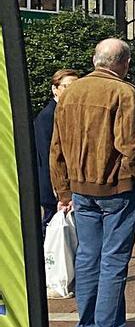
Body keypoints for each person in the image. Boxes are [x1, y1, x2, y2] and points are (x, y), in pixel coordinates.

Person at [49, 39, 135, 327]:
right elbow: (132, 145)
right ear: (125, 63)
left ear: (95, 60)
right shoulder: (124, 92)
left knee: (88, 257)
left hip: (80, 187)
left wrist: (64, 189)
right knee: (114, 259)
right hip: (117, 186)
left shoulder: (72, 92)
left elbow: (57, 148)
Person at [34, 68, 80, 228]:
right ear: (55, 89)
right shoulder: (47, 116)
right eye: (67, 87)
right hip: (55, 189)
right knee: (53, 232)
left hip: (69, 186)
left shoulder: (70, 113)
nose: (72, 92)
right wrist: (59, 193)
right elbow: (46, 156)